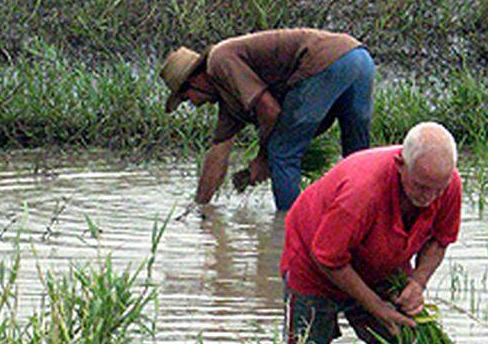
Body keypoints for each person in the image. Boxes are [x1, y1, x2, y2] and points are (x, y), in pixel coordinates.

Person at [277, 122, 462, 344]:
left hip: (379, 264)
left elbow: (440, 239)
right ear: (400, 165)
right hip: (314, 266)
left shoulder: (446, 184)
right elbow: (328, 257)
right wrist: (375, 306)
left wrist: (417, 283)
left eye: (437, 190)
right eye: (420, 187)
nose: (429, 198)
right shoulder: (362, 192)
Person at [160, 28, 375, 212]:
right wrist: (200, 207)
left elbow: (270, 110)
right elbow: (218, 154)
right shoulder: (228, 98)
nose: (195, 104)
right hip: (359, 58)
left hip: (327, 63)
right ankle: (366, 219)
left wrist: (263, 158)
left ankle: (288, 230)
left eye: (187, 98)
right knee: (358, 159)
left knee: (282, 153)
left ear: (195, 80)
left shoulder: (219, 60)